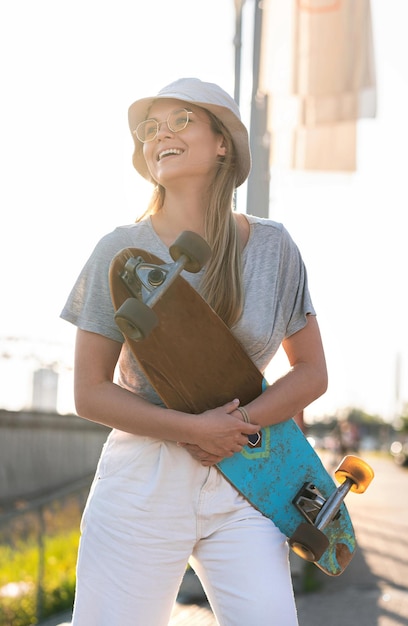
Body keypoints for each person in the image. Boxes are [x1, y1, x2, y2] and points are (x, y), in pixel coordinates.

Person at [61, 77, 328, 626]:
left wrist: (233, 427)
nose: (161, 134)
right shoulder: (122, 252)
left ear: (223, 142)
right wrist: (192, 430)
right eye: (150, 128)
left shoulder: (275, 249)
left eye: (180, 120)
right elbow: (89, 392)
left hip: (247, 475)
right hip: (144, 479)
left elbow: (311, 373)